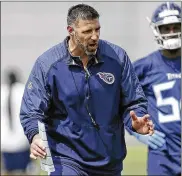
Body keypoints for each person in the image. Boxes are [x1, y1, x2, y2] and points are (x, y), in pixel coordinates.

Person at [20, 4, 154, 176]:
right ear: (71, 31)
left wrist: (135, 122)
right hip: (66, 158)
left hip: (109, 160)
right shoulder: (47, 65)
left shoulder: (117, 57)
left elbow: (133, 102)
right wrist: (35, 136)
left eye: (98, 29)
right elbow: (32, 110)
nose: (94, 36)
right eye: (87, 31)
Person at [126, 2, 181, 176]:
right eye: (166, 28)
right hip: (162, 153)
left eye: (176, 27)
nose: (171, 32)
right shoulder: (145, 67)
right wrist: (133, 130)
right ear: (157, 30)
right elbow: (117, 99)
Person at [1, 70, 32, 175]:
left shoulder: (2, 91)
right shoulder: (22, 90)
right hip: (20, 137)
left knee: (9, 169)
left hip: (7, 138)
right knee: (23, 169)